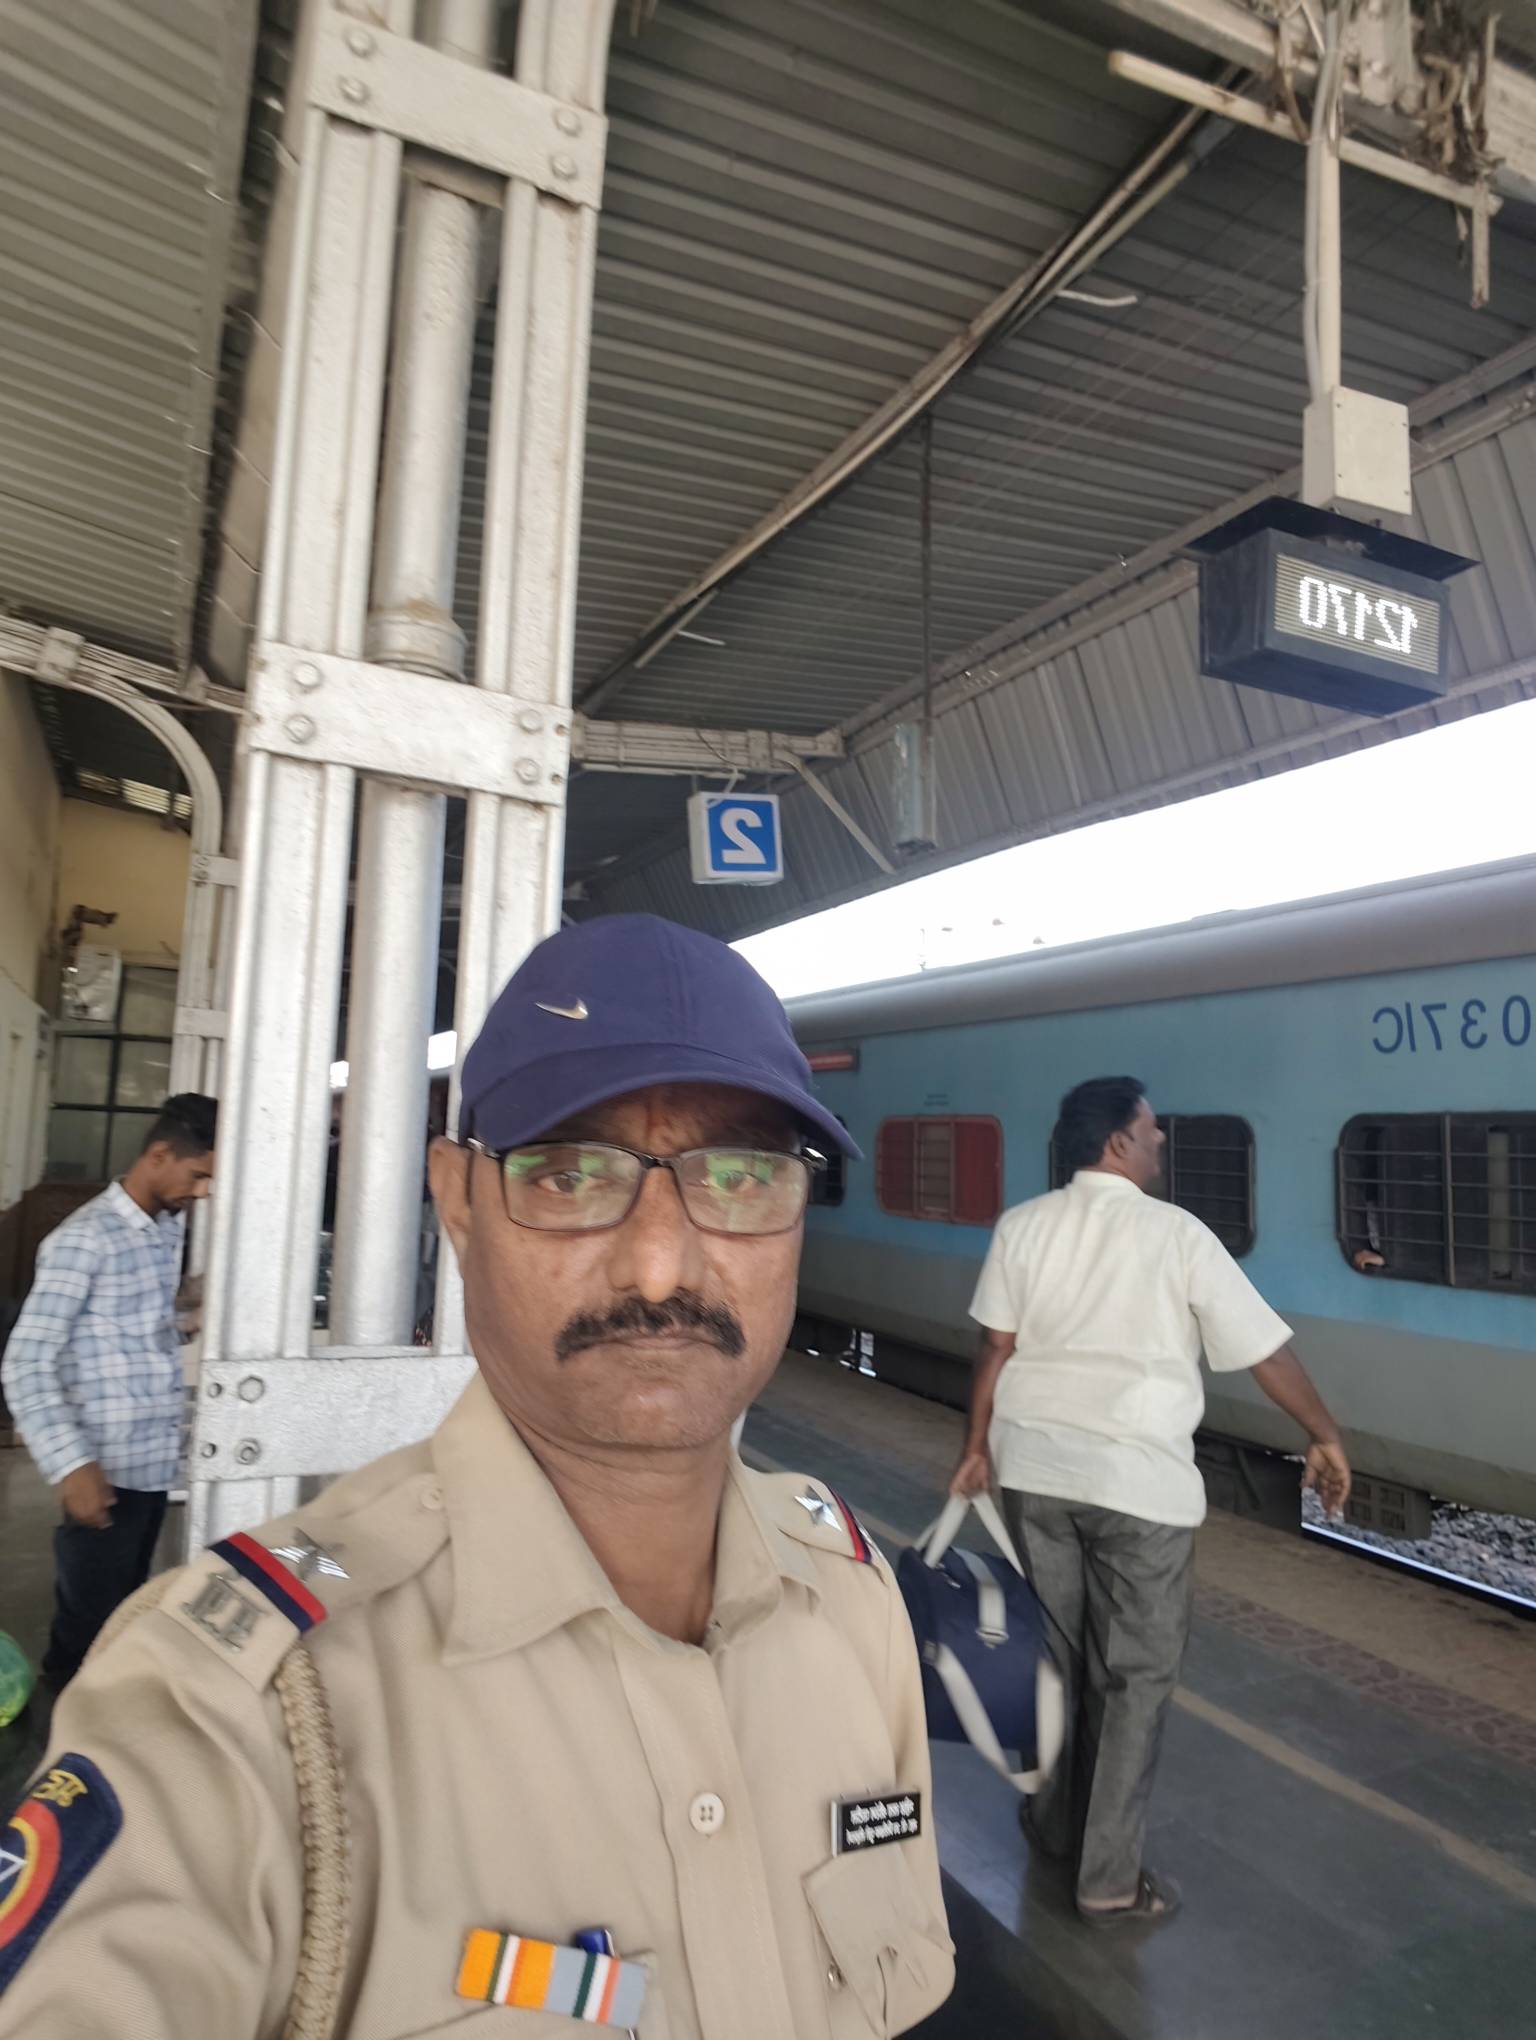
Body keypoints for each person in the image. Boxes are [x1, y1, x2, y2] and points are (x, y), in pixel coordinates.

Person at [0, 918, 953, 2038]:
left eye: (742, 1176)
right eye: (569, 1173)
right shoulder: (240, 1714)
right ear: (457, 1200)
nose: (660, 1265)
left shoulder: (854, 1603)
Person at [950, 1075, 1350, 1927]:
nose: (1161, 1141)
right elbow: (1264, 1351)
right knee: (1134, 1678)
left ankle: (1053, 1826)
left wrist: (975, 1447)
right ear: (1118, 1143)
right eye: (1152, 1130)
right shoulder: (1176, 1235)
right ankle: (1107, 1881)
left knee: (1057, 1659)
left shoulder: (1023, 1226)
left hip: (1036, 1474)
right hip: (1138, 1488)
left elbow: (994, 1348)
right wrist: (1323, 1432)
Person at [1, 1092, 217, 1690]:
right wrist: (72, 1465)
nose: (202, 1192)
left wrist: (186, 1323)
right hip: (104, 1471)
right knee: (86, 1635)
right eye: (198, 1175)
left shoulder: (161, 1230)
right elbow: (26, 1361)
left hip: (150, 1463)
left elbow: (128, 1332)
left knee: (124, 1615)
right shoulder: (84, 1240)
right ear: (159, 1155)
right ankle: (64, 1727)